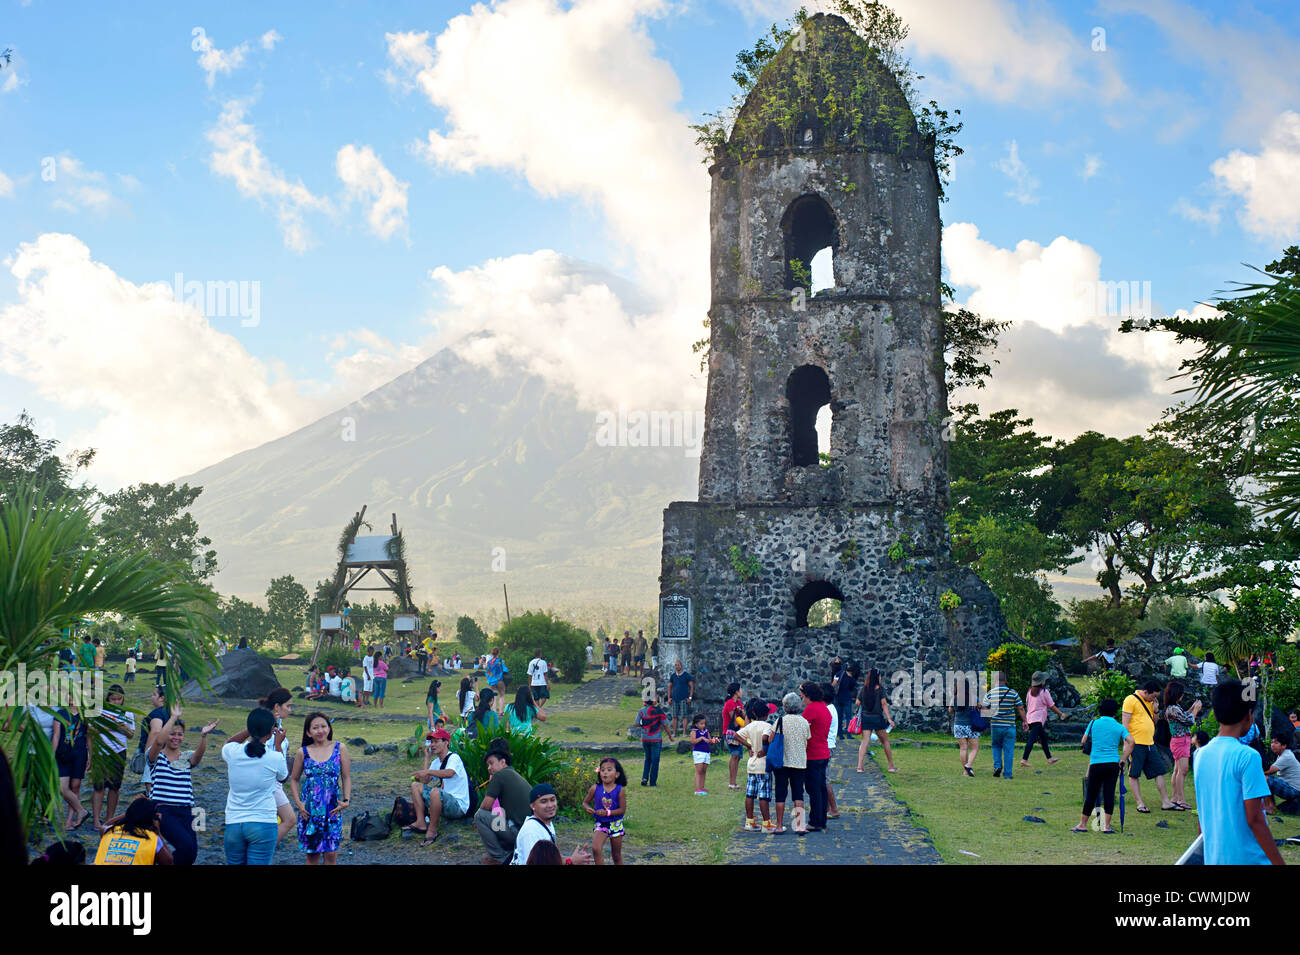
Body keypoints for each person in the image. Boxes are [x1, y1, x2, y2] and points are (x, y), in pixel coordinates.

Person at [1193, 680, 1286, 865]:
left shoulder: (1200, 754)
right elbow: (1255, 818)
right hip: (1249, 859)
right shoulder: (1247, 756)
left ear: (1216, 714)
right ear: (1249, 716)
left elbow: (1203, 814)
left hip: (1216, 858)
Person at [147, 704, 219, 865]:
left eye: (180, 734)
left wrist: (203, 737)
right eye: (172, 734)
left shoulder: (185, 757)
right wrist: (173, 717)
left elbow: (198, 757)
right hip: (164, 810)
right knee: (185, 846)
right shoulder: (156, 757)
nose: (176, 738)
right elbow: (158, 742)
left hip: (186, 810)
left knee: (191, 852)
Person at [222, 707, 289, 866]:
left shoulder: (232, 752)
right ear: (272, 731)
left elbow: (229, 742)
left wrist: (251, 729)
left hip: (234, 823)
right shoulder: (274, 757)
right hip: (263, 822)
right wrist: (278, 745)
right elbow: (284, 777)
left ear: (249, 728)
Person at [290, 712, 350, 865]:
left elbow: (346, 777)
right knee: (312, 856)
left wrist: (346, 800)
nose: (320, 730)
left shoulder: (339, 748)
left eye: (323, 726)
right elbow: (294, 779)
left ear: (329, 728)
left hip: (332, 810)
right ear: (308, 732)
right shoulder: (302, 752)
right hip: (310, 811)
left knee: (331, 854)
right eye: (315, 728)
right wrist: (299, 803)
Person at [1072, 697, 1134, 834]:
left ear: (1101, 710)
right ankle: (1106, 826)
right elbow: (1131, 742)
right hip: (1113, 764)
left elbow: (1083, 741)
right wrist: (1123, 758)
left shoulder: (1093, 723)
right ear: (1114, 712)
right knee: (1109, 794)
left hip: (1096, 763)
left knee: (1091, 794)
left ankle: (1083, 824)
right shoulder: (1119, 726)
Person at [475, 741, 533, 865]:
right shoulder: (513, 773)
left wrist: (491, 784)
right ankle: (508, 850)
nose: (489, 768)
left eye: (491, 763)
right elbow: (498, 809)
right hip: (530, 833)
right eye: (487, 765)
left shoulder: (499, 776)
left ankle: (499, 857)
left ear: (502, 762)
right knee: (497, 817)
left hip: (518, 832)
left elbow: (485, 806)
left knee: (479, 816)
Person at [409, 728, 470, 845]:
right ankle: (421, 822)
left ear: (446, 742)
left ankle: (432, 830)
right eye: (431, 742)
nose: (432, 745)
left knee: (436, 791)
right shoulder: (436, 762)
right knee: (416, 786)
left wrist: (428, 772)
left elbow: (449, 773)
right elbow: (425, 781)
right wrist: (427, 759)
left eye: (436, 742)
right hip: (443, 802)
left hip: (457, 806)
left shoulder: (454, 757)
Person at [1122, 680, 1175, 812]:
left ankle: (1166, 802)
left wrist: (1156, 710)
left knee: (1160, 771)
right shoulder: (1130, 700)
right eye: (1153, 696)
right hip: (1136, 743)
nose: (1154, 699)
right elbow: (1125, 724)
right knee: (1134, 773)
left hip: (1150, 743)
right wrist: (1126, 743)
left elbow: (1155, 721)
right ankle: (1140, 803)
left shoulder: (1151, 703)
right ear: (1145, 692)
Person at [510, 784, 593, 866]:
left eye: (552, 800)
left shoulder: (546, 823)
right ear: (533, 806)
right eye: (543, 801)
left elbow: (551, 857)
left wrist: (574, 859)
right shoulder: (531, 831)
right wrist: (570, 861)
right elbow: (534, 863)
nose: (550, 805)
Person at [91, 685, 135, 833]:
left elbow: (131, 735)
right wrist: (111, 727)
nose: (116, 702)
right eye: (113, 699)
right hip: (101, 752)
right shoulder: (100, 711)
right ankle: (96, 819)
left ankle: (109, 819)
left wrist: (124, 728)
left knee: (114, 787)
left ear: (123, 699)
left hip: (119, 752)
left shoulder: (127, 713)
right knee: (98, 787)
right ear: (107, 698)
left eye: (119, 699)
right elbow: (91, 730)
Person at [768, 692, 811, 834]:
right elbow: (807, 739)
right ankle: (799, 825)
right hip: (799, 762)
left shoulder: (780, 721)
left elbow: (771, 739)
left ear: (785, 706)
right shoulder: (804, 722)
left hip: (782, 762)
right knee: (798, 793)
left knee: (780, 793)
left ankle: (779, 825)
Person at [94, 797, 173, 865]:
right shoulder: (152, 838)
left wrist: (131, 812)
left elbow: (105, 825)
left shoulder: (110, 831)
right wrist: (158, 832)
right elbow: (169, 862)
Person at [736, 698, 776, 832]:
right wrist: (765, 749)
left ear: (753, 712)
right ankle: (766, 823)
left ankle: (749, 821)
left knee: (750, 794)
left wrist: (749, 745)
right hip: (763, 765)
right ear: (767, 714)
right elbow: (766, 737)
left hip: (751, 764)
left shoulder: (750, 726)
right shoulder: (768, 726)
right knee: (763, 795)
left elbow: (736, 736)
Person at [1161, 681, 1201, 810]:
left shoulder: (1174, 708)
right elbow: (1188, 721)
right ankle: (1180, 799)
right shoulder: (1173, 708)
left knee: (1178, 770)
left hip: (1180, 740)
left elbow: (1183, 716)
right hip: (1180, 741)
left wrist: (1192, 708)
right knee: (1182, 771)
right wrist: (1196, 710)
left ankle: (1175, 797)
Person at [798, 682, 832, 831]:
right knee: (821, 787)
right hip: (823, 752)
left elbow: (801, 728)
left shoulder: (811, 709)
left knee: (813, 789)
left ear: (808, 696)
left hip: (812, 754)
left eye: (803, 697)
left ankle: (815, 821)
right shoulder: (824, 709)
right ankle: (821, 819)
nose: (802, 700)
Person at [582, 757, 628, 865]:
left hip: (615, 824)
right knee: (596, 849)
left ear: (616, 774)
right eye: (602, 770)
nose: (605, 773)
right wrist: (587, 808)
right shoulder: (595, 788)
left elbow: (622, 810)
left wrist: (607, 813)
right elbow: (585, 802)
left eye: (609, 770)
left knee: (616, 856)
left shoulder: (620, 790)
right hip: (601, 823)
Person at [982, 670, 1023, 778]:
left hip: (995, 725)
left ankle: (997, 766)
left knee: (996, 746)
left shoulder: (990, 693)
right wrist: (1025, 721)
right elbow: (1020, 707)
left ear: (995, 681)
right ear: (1005, 680)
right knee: (1009, 749)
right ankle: (1008, 774)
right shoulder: (1013, 693)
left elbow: (984, 708)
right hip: (1009, 726)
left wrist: (992, 715)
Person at [55, 702, 90, 831]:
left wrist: (90, 755)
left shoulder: (85, 715)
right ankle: (81, 811)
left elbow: (88, 736)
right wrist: (52, 754)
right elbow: (56, 735)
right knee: (62, 787)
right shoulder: (61, 713)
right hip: (63, 753)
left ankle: (70, 821)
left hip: (80, 754)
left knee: (75, 787)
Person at [1020, 671, 1066, 767]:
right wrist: (1061, 713)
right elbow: (1051, 705)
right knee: (1031, 740)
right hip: (1037, 719)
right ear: (1041, 682)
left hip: (1030, 719)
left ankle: (1049, 758)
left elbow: (1028, 705)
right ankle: (1024, 760)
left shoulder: (1029, 692)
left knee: (1043, 737)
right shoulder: (1044, 692)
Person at [856, 667, 897, 773]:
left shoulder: (864, 688)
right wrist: (889, 718)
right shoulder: (880, 689)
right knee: (885, 741)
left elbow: (857, 702)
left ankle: (860, 766)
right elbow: (884, 703)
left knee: (865, 742)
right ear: (877, 677)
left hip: (866, 718)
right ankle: (891, 766)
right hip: (877, 718)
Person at [136, 685, 169, 797]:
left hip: (155, 754)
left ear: (162, 698)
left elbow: (155, 731)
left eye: (154, 694)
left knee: (151, 786)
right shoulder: (170, 713)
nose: (152, 697)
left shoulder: (157, 713)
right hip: (166, 754)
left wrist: (148, 754)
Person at [636, 695, 673, 786]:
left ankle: (644, 779)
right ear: (653, 701)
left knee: (647, 759)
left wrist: (644, 726)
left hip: (645, 738)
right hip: (656, 739)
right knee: (655, 761)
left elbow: (636, 723)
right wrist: (670, 736)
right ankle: (653, 782)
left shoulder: (641, 711)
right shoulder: (659, 711)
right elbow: (665, 725)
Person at [950, 674, 981, 778]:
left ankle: (965, 772)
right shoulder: (974, 697)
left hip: (958, 725)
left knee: (963, 748)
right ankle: (968, 765)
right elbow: (979, 707)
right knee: (975, 748)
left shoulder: (954, 698)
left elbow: (950, 710)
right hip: (971, 726)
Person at [1263, 734, 1300, 812]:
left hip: (1295, 791)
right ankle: (1272, 805)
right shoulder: (1282, 755)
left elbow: (1269, 771)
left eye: (1276, 743)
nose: (1273, 745)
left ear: (1284, 746)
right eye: (1272, 742)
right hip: (1292, 788)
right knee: (1267, 778)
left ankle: (1269, 807)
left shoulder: (1286, 756)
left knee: (1264, 778)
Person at [722, 682, 746, 791]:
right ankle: (731, 783)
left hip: (738, 733)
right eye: (740, 689)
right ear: (736, 692)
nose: (742, 691)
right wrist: (741, 716)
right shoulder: (730, 703)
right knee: (734, 755)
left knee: (737, 757)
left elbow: (744, 717)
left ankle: (734, 783)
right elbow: (736, 721)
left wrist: (742, 714)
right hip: (731, 733)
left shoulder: (739, 703)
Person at [690, 714, 719, 795]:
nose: (703, 725)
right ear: (696, 724)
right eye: (701, 724)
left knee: (703, 770)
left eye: (704, 723)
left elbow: (709, 741)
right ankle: (697, 789)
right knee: (699, 770)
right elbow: (692, 741)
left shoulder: (706, 731)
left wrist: (713, 741)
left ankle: (702, 787)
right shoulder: (694, 731)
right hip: (698, 752)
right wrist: (701, 738)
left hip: (706, 752)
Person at [667, 660, 694, 737]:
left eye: (678, 665)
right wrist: (669, 697)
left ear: (681, 666)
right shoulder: (673, 676)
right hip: (675, 699)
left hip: (683, 699)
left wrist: (690, 697)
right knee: (674, 716)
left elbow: (691, 686)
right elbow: (669, 687)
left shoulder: (686, 675)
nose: (677, 666)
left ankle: (684, 733)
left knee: (684, 716)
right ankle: (674, 733)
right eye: (675, 665)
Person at [833, 662, 858, 739]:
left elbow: (833, 684)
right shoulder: (851, 677)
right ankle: (848, 734)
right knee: (848, 717)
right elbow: (852, 688)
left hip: (837, 698)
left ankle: (840, 734)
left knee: (839, 717)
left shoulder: (838, 673)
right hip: (847, 698)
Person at [485, 648, 508, 716]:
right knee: (501, 695)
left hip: (492, 681)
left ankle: (494, 711)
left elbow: (487, 671)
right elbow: (505, 669)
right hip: (499, 680)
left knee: (494, 696)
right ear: (498, 653)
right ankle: (501, 712)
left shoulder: (489, 662)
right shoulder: (500, 661)